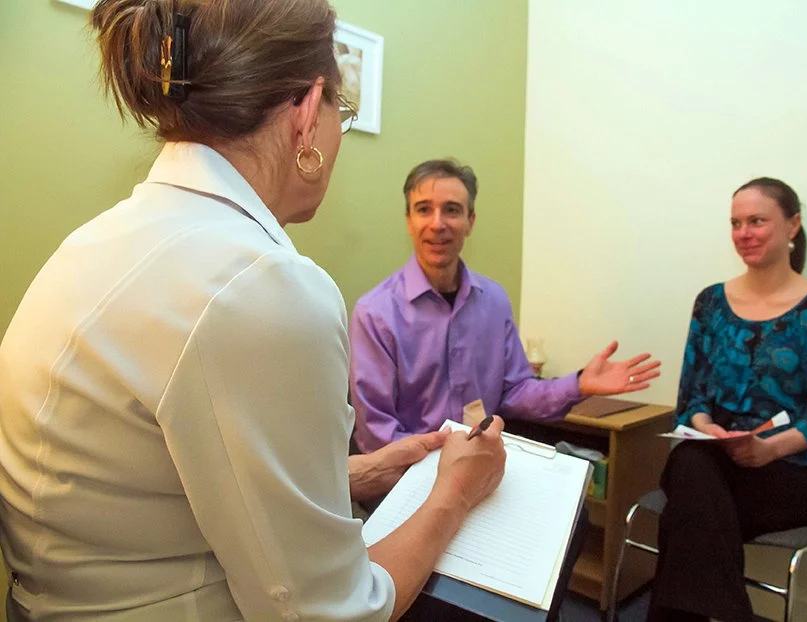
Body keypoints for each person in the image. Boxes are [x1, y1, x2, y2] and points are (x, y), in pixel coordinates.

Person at [0, 1, 506, 620]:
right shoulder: (261, 285)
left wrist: (354, 471)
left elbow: (156, 491)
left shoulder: (100, 241)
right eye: (339, 113)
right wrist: (455, 492)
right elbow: (332, 612)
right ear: (305, 111)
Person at [647, 178, 807, 622]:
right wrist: (708, 429)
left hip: (793, 476)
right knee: (692, 462)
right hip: (717, 461)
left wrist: (767, 449)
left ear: (792, 225)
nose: (744, 232)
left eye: (757, 221)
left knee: (682, 516)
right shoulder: (710, 303)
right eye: (736, 223)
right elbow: (692, 397)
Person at [349, 159, 661, 453]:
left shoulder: (494, 302)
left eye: (452, 210)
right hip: (410, 478)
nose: (437, 223)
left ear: (470, 222)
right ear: (409, 221)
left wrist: (579, 384)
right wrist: (445, 464)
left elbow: (514, 393)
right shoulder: (375, 314)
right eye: (423, 210)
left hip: (481, 463)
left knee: (572, 507)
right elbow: (377, 435)